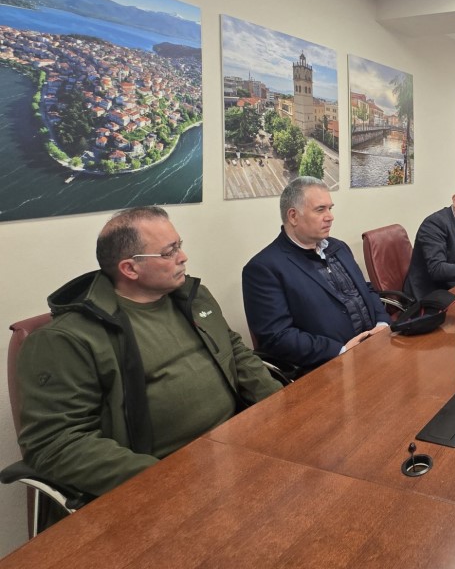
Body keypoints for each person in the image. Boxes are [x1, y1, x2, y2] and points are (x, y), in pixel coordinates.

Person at [17, 206, 281, 501]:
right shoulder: (67, 339)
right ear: (130, 269)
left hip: (239, 443)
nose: (183, 257)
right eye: (169, 252)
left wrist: (283, 406)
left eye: (179, 245)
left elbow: (234, 351)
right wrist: (163, 479)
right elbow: (56, 444)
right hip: (170, 476)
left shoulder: (192, 296)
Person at [243, 177, 390, 371]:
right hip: (329, 367)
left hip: (375, 348)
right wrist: (341, 350)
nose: (330, 217)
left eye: (330, 208)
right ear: (293, 216)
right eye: (320, 210)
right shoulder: (264, 268)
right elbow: (277, 337)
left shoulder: (338, 247)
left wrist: (382, 323)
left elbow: (366, 289)